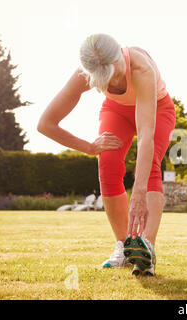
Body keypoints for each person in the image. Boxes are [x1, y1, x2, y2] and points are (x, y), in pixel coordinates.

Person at [38, 34, 176, 276]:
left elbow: (145, 135)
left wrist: (139, 193)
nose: (114, 86)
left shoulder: (141, 68)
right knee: (108, 163)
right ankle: (124, 246)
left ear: (120, 60)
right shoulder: (84, 74)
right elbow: (46, 124)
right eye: (107, 84)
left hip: (159, 108)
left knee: (150, 165)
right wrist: (89, 147)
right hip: (116, 112)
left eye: (117, 77)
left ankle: (146, 250)